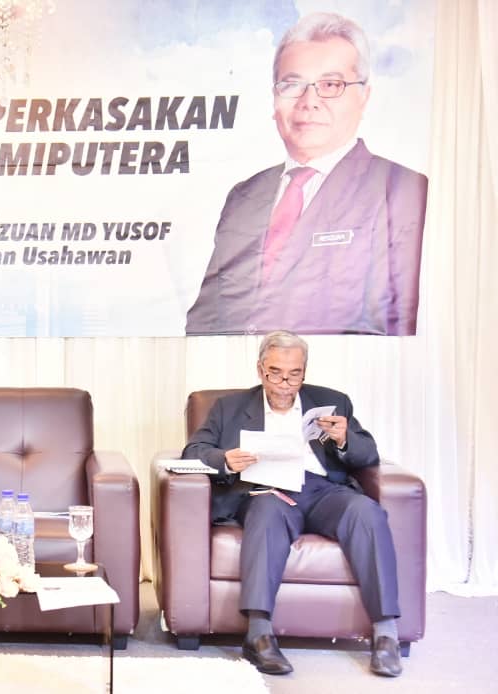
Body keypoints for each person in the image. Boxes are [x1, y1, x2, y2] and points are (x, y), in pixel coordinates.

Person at [185, 12, 427, 336]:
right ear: (274, 97)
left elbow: (398, 323)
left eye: (330, 85)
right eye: (292, 84)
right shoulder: (243, 196)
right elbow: (203, 321)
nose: (309, 101)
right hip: (233, 366)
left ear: (364, 96)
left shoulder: (402, 190)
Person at [182, 330, 402, 677]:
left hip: (323, 491)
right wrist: (224, 459)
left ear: (304, 371)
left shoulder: (332, 401)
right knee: (267, 512)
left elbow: (368, 454)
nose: (284, 384)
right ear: (260, 370)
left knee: (366, 512)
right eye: (275, 374)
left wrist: (344, 439)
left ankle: (386, 634)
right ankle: (259, 635)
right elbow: (193, 451)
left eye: (294, 375)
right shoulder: (229, 407)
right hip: (266, 491)